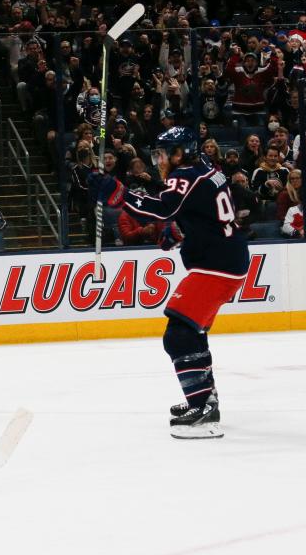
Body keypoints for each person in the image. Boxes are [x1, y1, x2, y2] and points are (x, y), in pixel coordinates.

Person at [88, 127, 250, 439]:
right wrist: (180, 231)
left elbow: (163, 207)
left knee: (178, 334)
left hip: (216, 266)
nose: (160, 160)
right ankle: (206, 398)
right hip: (224, 258)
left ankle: (202, 407)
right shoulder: (205, 167)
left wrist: (116, 193)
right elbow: (203, 211)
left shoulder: (186, 174)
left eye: (165, 154)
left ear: (181, 153)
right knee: (191, 330)